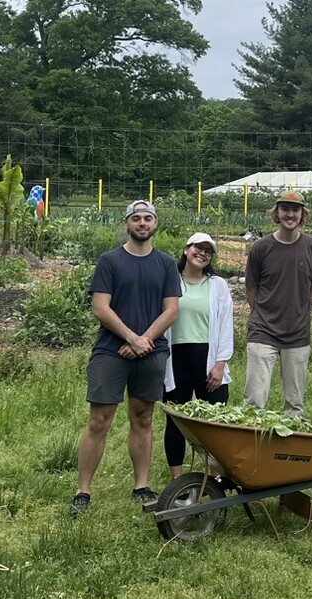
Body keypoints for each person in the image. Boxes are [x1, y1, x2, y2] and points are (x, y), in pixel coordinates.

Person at [70, 199, 181, 516]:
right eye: (136, 218)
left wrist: (143, 340)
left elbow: (171, 310)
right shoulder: (110, 261)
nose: (142, 223)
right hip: (111, 351)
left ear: (155, 224)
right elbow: (100, 307)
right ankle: (83, 491)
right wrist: (131, 338)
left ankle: (141, 486)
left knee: (143, 417)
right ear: (126, 224)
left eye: (148, 218)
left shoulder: (165, 264)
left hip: (151, 351)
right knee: (98, 420)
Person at [243, 189, 312, 417]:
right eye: (285, 209)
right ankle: (251, 449)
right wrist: (266, 313)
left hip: (297, 334)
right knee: (254, 400)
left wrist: (295, 311)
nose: (290, 214)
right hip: (263, 331)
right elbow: (251, 290)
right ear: (276, 213)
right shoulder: (261, 248)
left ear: (303, 215)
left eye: (295, 210)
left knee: (294, 404)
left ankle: (288, 450)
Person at [162, 232, 234, 479]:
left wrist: (220, 363)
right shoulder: (170, 281)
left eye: (208, 250)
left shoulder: (217, 285)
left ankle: (216, 475)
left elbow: (226, 325)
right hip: (176, 360)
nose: (202, 253)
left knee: (215, 422)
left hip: (208, 359)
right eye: (197, 248)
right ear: (186, 249)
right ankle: (178, 480)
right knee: (176, 421)